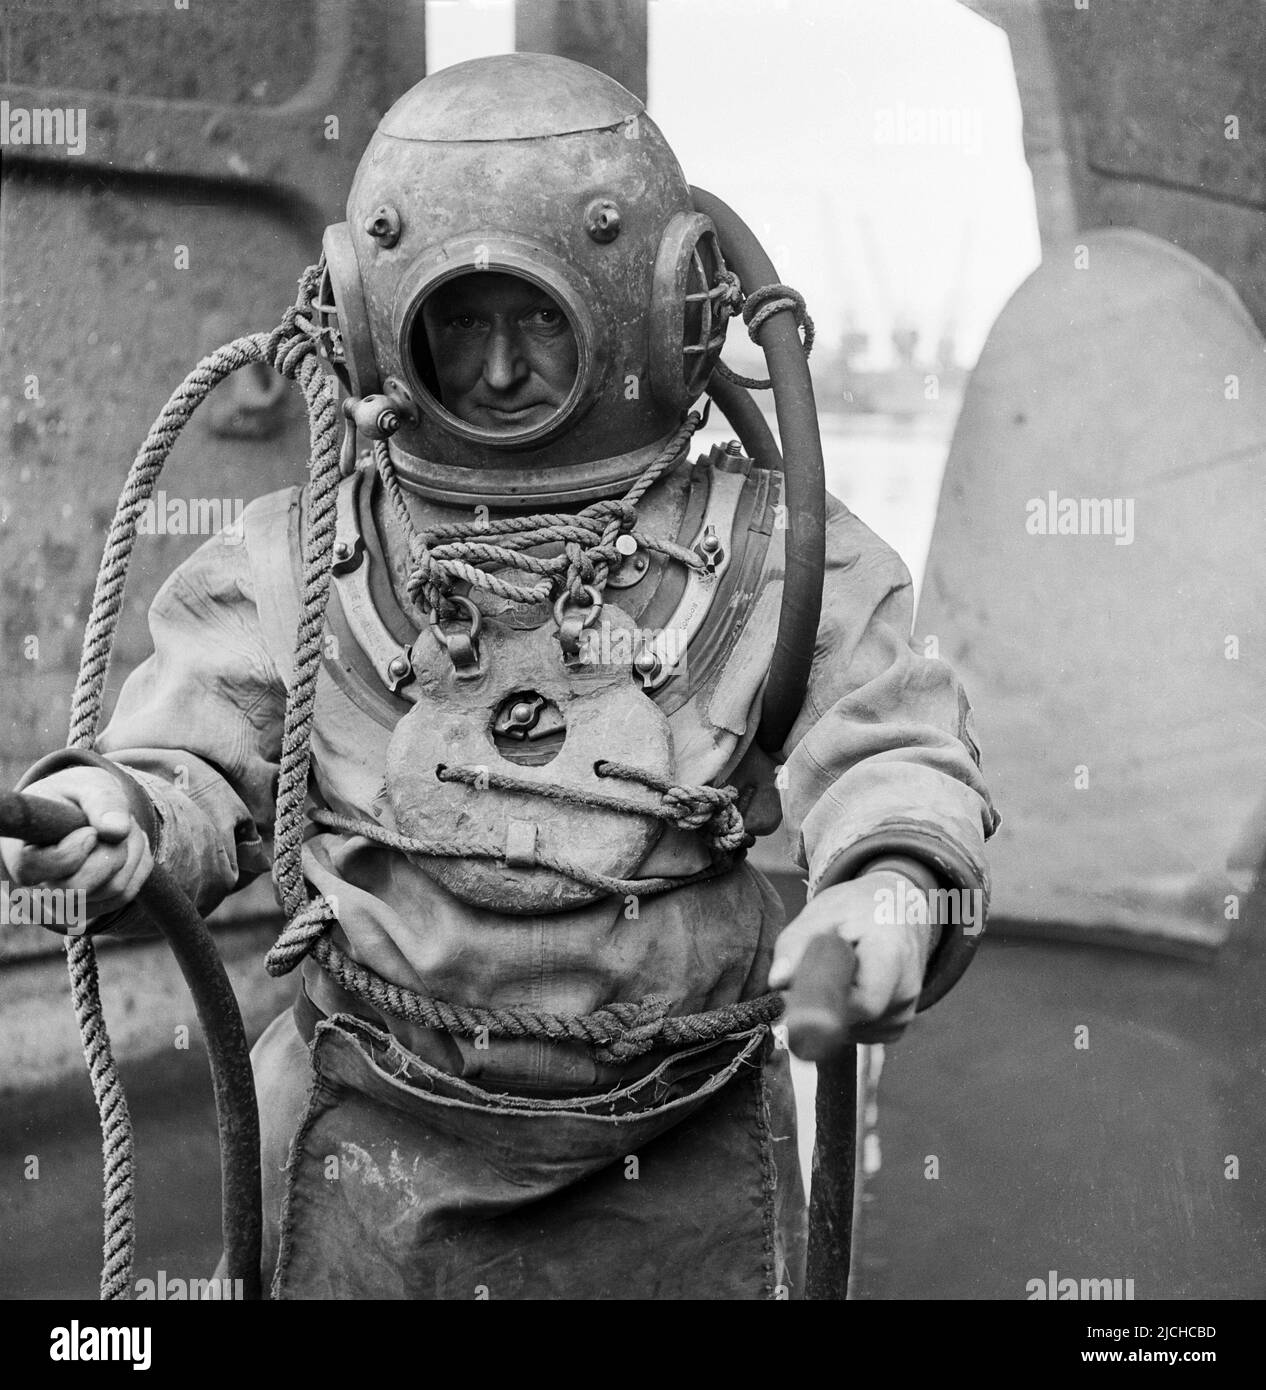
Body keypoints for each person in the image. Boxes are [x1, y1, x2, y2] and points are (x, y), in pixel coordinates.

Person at [0, 53, 997, 1299]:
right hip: (366, 1138)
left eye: (540, 317)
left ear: (664, 303)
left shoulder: (775, 552)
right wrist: (114, 814)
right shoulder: (300, 557)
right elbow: (189, 756)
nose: (505, 369)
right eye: (461, 320)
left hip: (676, 1158)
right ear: (369, 318)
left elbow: (896, 746)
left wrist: (891, 889)